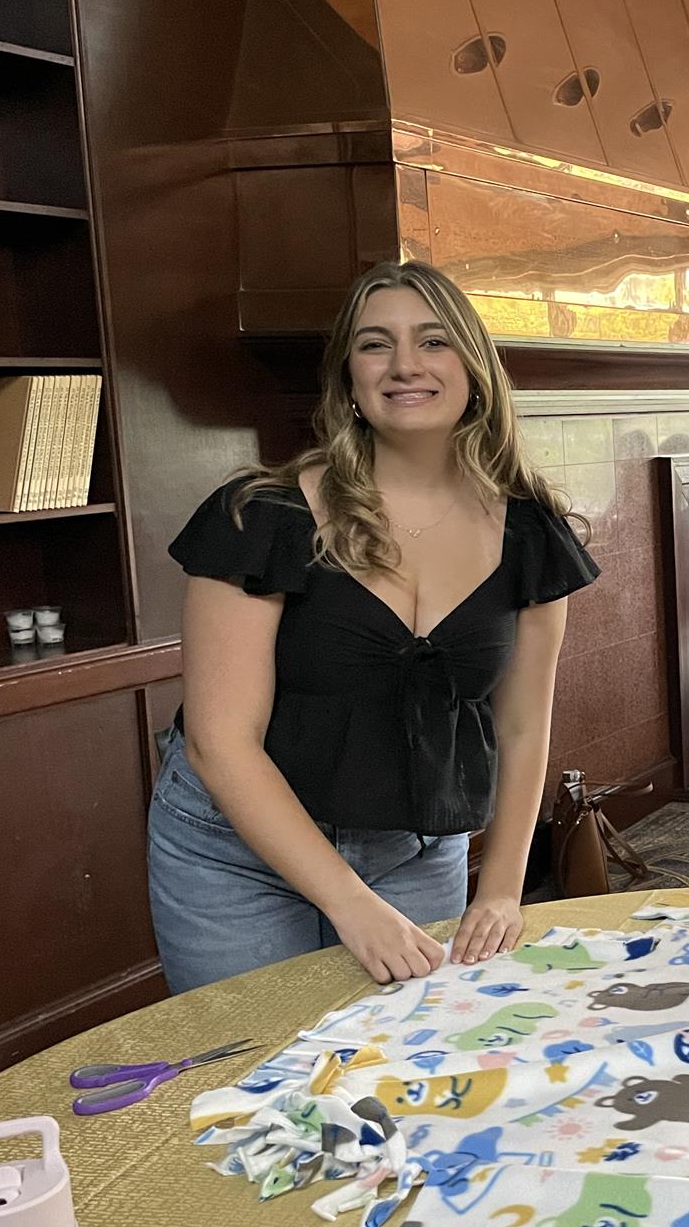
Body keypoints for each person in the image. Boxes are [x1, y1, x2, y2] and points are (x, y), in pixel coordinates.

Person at [148, 261, 598, 993]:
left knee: (408, 1052)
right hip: (234, 855)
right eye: (375, 344)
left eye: (434, 341)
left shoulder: (532, 531)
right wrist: (352, 906)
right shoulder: (261, 516)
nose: (405, 365)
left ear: (475, 370)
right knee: (266, 1053)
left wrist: (502, 889)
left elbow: (522, 727)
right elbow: (218, 743)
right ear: (348, 379)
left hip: (415, 848)